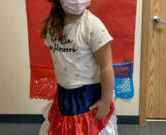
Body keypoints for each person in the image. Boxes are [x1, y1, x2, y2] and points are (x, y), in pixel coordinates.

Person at [39, 0, 118, 134]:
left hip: (89, 95)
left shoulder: (93, 26)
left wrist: (105, 101)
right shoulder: (53, 24)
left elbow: (106, 67)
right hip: (64, 94)